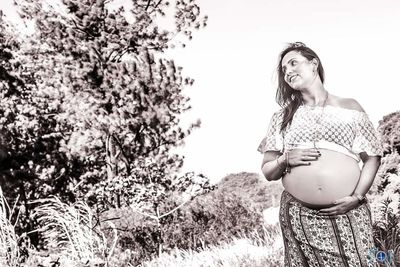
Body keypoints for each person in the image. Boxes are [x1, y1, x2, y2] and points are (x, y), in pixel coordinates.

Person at [257, 42, 383, 266]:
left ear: (313, 63)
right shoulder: (281, 117)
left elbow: (372, 156)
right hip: (298, 216)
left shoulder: (350, 107)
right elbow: (268, 171)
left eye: (293, 63)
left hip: (348, 212)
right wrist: (284, 159)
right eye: (284, 70)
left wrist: (357, 197)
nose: (288, 72)